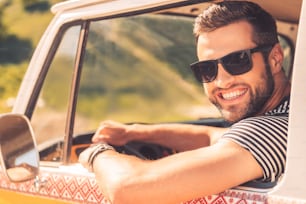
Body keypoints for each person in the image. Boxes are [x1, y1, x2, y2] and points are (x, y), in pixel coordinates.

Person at [79, 1, 291, 203]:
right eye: (207, 69)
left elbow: (127, 188)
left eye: (237, 61)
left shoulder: (275, 128)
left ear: (275, 58)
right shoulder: (290, 116)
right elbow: (211, 136)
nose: (221, 81)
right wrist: (132, 132)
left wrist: (97, 153)